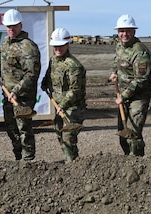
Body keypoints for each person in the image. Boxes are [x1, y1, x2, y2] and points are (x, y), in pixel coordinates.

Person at [0, 9, 41, 161]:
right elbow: (2, 60)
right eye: (8, 26)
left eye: (14, 26)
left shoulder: (28, 47)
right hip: (7, 94)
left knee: (24, 129)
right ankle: (18, 158)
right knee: (11, 128)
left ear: (20, 25)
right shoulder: (6, 42)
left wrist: (17, 91)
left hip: (23, 97)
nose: (11, 29)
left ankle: (28, 161)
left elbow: (32, 74)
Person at [109, 14, 151, 156]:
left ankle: (139, 163)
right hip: (123, 96)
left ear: (134, 31)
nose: (124, 34)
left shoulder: (140, 52)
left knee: (133, 134)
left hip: (138, 97)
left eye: (128, 31)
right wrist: (114, 73)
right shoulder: (119, 46)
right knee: (123, 135)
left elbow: (141, 79)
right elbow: (117, 61)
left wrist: (123, 95)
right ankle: (129, 162)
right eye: (121, 31)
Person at [41, 28, 86, 163]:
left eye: (60, 46)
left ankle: (71, 167)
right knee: (61, 137)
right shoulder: (53, 60)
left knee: (68, 138)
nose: (58, 49)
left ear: (67, 45)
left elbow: (75, 90)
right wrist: (44, 83)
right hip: (59, 107)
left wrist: (63, 105)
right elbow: (50, 76)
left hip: (73, 109)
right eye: (55, 46)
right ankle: (74, 162)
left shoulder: (74, 66)